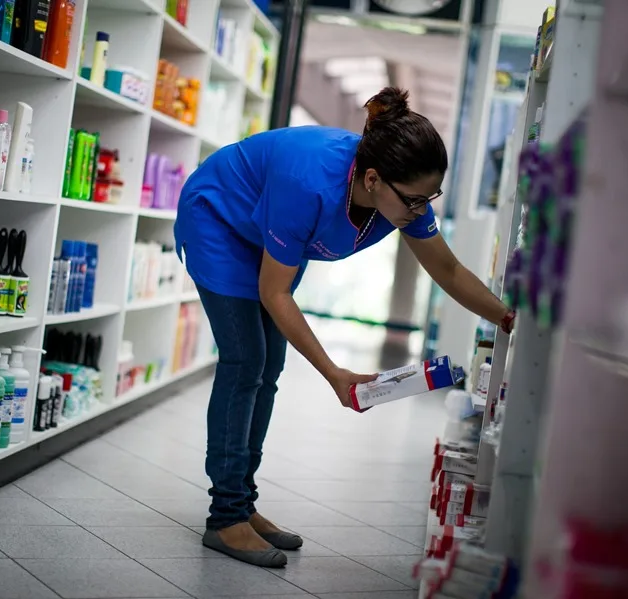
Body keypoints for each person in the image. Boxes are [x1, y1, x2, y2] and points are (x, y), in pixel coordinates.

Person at [173, 87, 515, 568]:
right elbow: (276, 294)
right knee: (246, 359)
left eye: (429, 199)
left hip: (266, 230)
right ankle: (225, 518)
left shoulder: (400, 196)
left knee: (269, 365)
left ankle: (242, 505)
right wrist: (334, 372)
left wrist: (505, 315)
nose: (421, 211)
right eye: (415, 201)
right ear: (373, 179)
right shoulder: (309, 182)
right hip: (220, 220)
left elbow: (450, 272)